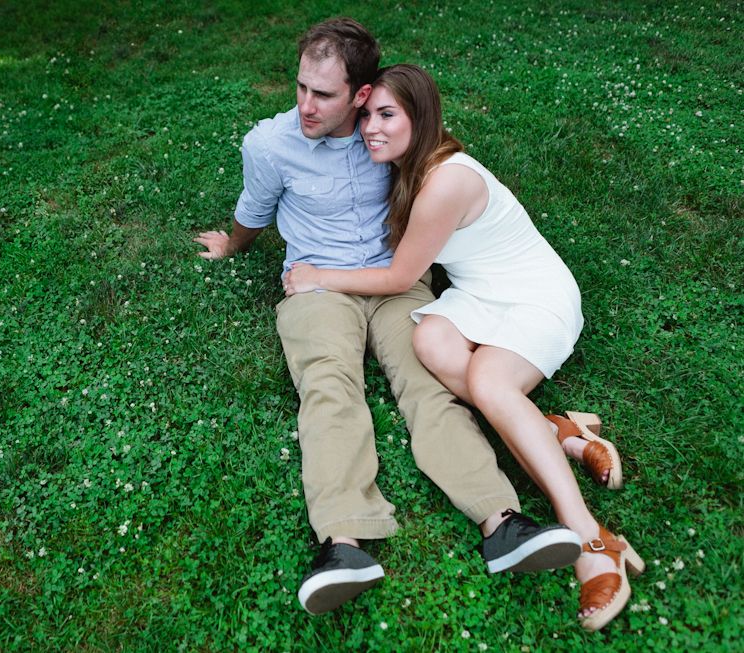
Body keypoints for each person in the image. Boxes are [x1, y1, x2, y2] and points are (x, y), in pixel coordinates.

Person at [194, 19, 582, 617]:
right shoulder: (270, 144)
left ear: (361, 94)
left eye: (323, 94)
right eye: (300, 87)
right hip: (317, 288)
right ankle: (342, 543)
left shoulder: (386, 136)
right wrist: (233, 244)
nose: (305, 105)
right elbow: (256, 208)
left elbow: (434, 181)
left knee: (428, 388)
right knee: (328, 385)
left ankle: (502, 522)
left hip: (395, 280)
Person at [283, 64, 643, 631]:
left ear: (419, 117)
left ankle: (592, 538)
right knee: (430, 340)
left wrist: (318, 276)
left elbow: (401, 278)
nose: (370, 128)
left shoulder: (445, 180)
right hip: (481, 297)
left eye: (387, 115)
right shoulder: (412, 166)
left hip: (533, 299)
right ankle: (556, 430)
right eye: (367, 116)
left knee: (489, 384)